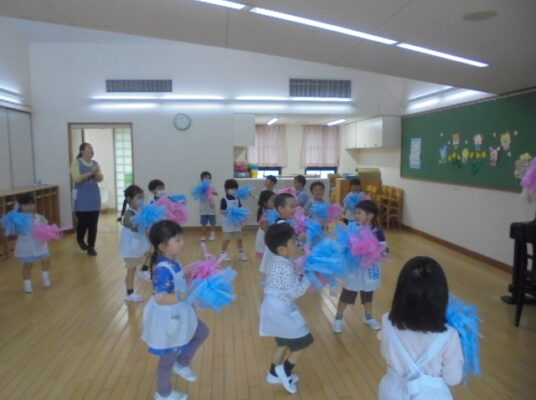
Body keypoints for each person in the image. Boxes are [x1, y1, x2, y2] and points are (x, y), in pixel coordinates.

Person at [378, 256, 464, 400]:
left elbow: (384, 353)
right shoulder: (449, 335)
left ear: (400, 293)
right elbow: (453, 378)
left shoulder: (387, 321)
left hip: (392, 392)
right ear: (441, 297)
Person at [142, 220, 209, 400]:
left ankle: (182, 362)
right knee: (167, 358)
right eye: (177, 240)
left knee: (201, 331)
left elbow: (178, 278)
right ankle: (163, 393)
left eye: (182, 239)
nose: (182, 243)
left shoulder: (173, 260)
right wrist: (185, 295)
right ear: (162, 246)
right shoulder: (162, 269)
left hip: (180, 312)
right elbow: (161, 298)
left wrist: (190, 270)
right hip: (169, 318)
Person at [260, 223, 313, 394]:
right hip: (281, 310)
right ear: (282, 249)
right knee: (304, 340)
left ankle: (273, 373)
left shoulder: (280, 260)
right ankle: (286, 369)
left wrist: (302, 270)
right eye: (294, 242)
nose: (298, 243)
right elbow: (295, 292)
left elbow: (289, 284)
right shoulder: (284, 266)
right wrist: (310, 276)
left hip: (274, 308)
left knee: (282, 342)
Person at [333, 200, 386, 332]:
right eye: (356, 213)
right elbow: (346, 245)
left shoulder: (377, 231)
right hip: (354, 268)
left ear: (370, 216)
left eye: (359, 213)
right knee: (348, 291)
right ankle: (338, 318)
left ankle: (368, 316)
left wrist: (374, 250)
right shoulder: (353, 228)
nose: (356, 215)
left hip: (369, 268)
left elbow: (384, 250)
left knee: (368, 291)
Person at [13, 193, 52, 293]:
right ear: (20, 206)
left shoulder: (38, 217)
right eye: (25, 205)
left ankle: (45, 278)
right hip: (26, 245)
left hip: (40, 243)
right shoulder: (18, 219)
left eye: (31, 204)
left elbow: (45, 226)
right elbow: (16, 230)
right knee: (28, 265)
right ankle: (27, 285)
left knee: (46, 260)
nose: (29, 207)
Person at [119, 184, 151, 302]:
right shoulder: (129, 213)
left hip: (139, 242)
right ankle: (129, 293)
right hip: (131, 246)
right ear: (129, 199)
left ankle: (144, 269)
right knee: (131, 270)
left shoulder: (140, 210)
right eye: (138, 197)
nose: (141, 200)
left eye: (142, 197)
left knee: (153, 250)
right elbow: (131, 224)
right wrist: (139, 223)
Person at [71, 142, 103, 256]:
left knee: (93, 224)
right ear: (82, 151)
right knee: (83, 222)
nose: (92, 151)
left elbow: (100, 178)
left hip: (94, 198)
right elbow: (77, 178)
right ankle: (80, 239)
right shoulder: (76, 163)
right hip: (81, 198)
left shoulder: (95, 163)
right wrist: (91, 173)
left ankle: (91, 246)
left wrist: (97, 173)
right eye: (89, 149)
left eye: (92, 149)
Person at [258, 193, 298, 277]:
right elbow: (287, 241)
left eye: (295, 207)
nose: (294, 209)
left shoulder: (283, 222)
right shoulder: (281, 224)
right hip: (278, 257)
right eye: (291, 207)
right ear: (281, 209)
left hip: (279, 257)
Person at [220, 179, 247, 262]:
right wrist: (230, 213)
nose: (233, 190)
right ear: (226, 189)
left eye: (235, 189)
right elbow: (221, 211)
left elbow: (240, 208)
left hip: (236, 223)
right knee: (226, 239)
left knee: (239, 238)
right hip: (227, 223)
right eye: (231, 189)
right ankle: (223, 254)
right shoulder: (224, 199)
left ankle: (241, 253)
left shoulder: (237, 198)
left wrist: (241, 219)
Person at [255, 190, 276, 259]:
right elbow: (265, 228)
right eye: (272, 200)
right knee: (267, 256)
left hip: (270, 235)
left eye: (275, 200)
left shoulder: (272, 211)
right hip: (265, 236)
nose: (275, 202)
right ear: (265, 203)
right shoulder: (264, 214)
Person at [198, 171, 218, 242]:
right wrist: (203, 191)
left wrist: (211, 192)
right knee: (203, 223)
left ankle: (212, 235)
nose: (207, 179)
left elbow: (216, 193)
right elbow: (197, 194)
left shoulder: (212, 186)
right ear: (202, 179)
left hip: (211, 207)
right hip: (203, 208)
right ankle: (204, 235)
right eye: (205, 178)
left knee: (213, 223)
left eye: (208, 178)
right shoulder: (200, 187)